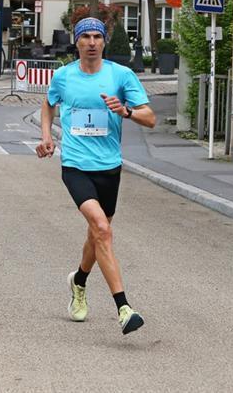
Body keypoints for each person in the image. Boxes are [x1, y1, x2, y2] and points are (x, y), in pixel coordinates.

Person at [36, 17, 156, 335]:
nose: (91, 42)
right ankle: (124, 308)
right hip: (75, 165)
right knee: (102, 229)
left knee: (96, 234)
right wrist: (47, 136)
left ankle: (79, 280)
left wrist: (126, 111)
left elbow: (150, 118)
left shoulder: (121, 75)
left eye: (97, 37)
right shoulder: (63, 76)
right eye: (85, 37)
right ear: (76, 42)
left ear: (104, 41)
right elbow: (48, 105)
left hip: (109, 167)